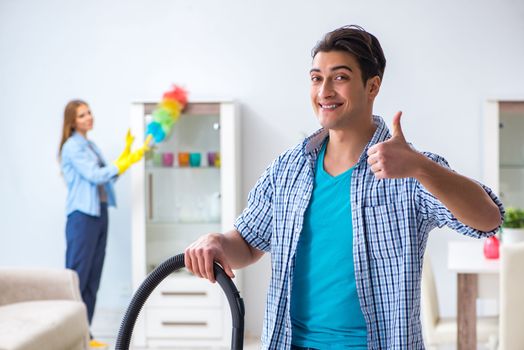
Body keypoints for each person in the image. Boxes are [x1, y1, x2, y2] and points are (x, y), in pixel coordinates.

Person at [184, 25, 504, 349]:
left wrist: (421, 167)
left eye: (340, 77)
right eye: (316, 78)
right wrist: (218, 243)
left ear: (372, 86)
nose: (324, 91)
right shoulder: (288, 168)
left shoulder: (408, 169)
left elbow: (488, 219)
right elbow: (248, 243)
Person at [58, 100, 151, 349]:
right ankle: (69, 336)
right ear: (72, 121)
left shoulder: (90, 146)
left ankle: (84, 335)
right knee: (77, 279)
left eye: (89, 112)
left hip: (99, 213)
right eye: (82, 115)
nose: (89, 117)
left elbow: (109, 175)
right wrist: (127, 159)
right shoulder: (71, 147)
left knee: (93, 279)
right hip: (82, 216)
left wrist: (126, 154)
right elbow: (95, 175)